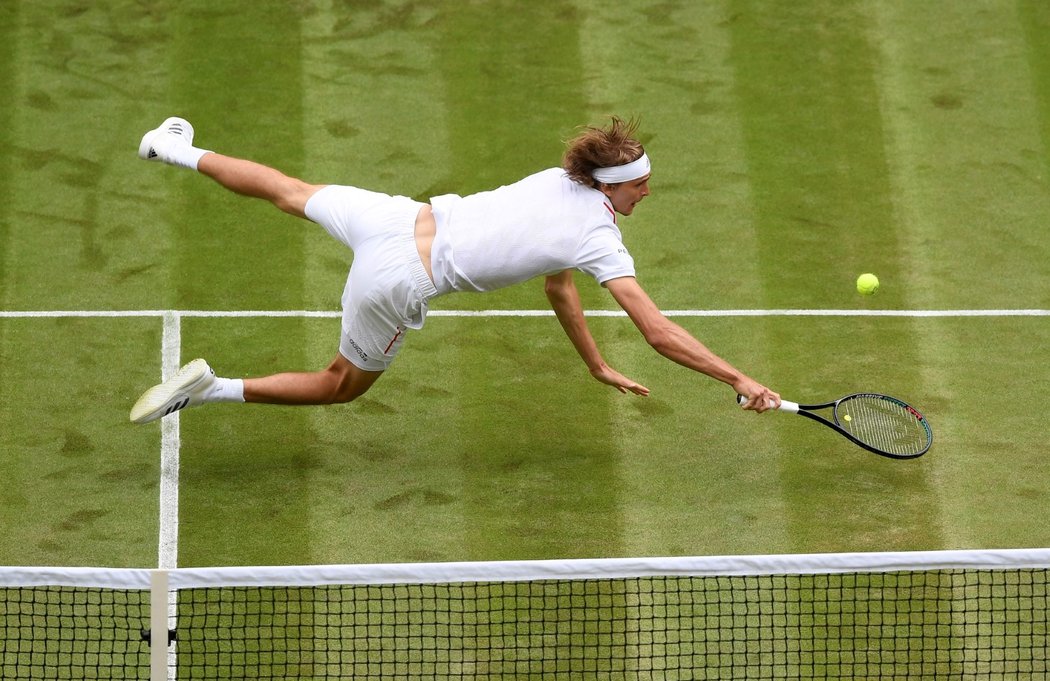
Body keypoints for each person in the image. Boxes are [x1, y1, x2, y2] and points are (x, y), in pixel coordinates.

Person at [130, 116, 780, 424]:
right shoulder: (599, 239)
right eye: (640, 186)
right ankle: (209, 387)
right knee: (341, 386)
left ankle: (175, 149)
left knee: (291, 190)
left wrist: (594, 362)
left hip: (393, 217)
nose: (646, 194)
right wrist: (738, 375)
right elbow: (658, 331)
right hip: (399, 278)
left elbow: (558, 286)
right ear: (612, 188)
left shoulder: (562, 181)